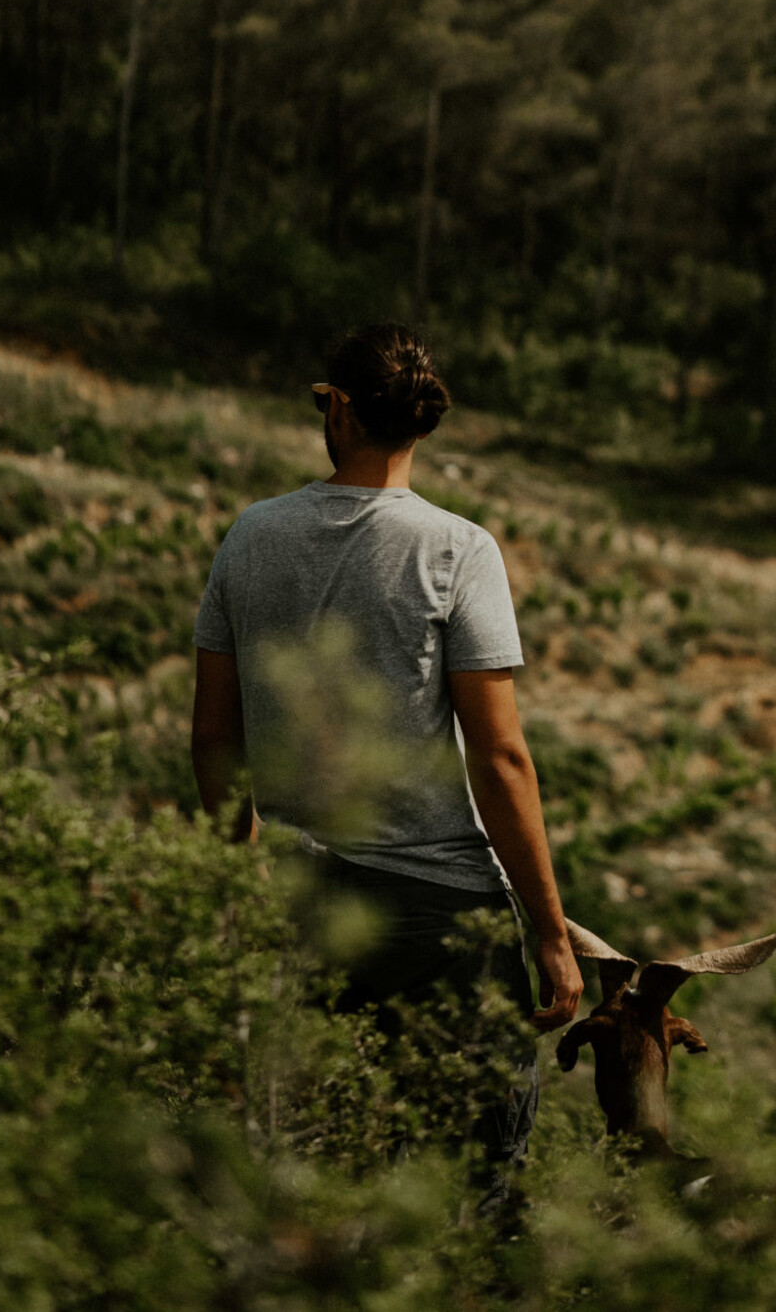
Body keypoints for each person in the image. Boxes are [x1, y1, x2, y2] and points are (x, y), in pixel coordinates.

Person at [189, 322, 582, 1193]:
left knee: (297, 1175)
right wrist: (550, 934)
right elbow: (502, 758)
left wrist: (235, 874)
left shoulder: (250, 538)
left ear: (336, 410)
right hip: (438, 919)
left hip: (298, 898)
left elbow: (215, 740)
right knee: (475, 1186)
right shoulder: (458, 551)